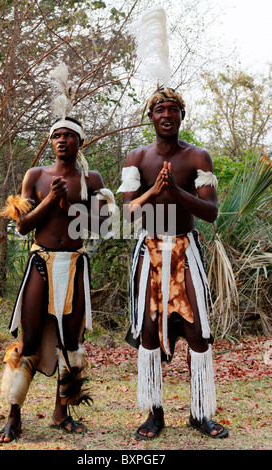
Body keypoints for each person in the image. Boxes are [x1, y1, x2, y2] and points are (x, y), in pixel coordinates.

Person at [118, 87, 228, 440]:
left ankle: (199, 412)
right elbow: (125, 211)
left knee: (197, 333)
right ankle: (154, 414)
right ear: (150, 117)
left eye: (173, 110)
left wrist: (179, 193)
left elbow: (211, 212)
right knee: (149, 331)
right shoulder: (136, 158)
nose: (166, 115)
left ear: (182, 116)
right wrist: (155, 192)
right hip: (149, 250)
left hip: (185, 250)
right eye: (160, 110)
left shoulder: (198, 157)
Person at [0, 116, 115, 443]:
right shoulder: (36, 176)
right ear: (51, 141)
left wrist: (70, 205)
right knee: (30, 339)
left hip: (74, 265)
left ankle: (62, 412)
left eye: (69, 136)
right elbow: (21, 226)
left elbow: (104, 226)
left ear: (80, 142)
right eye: (56, 136)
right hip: (41, 263)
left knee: (71, 343)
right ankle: (13, 415)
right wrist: (50, 200)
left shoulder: (91, 180)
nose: (62, 141)